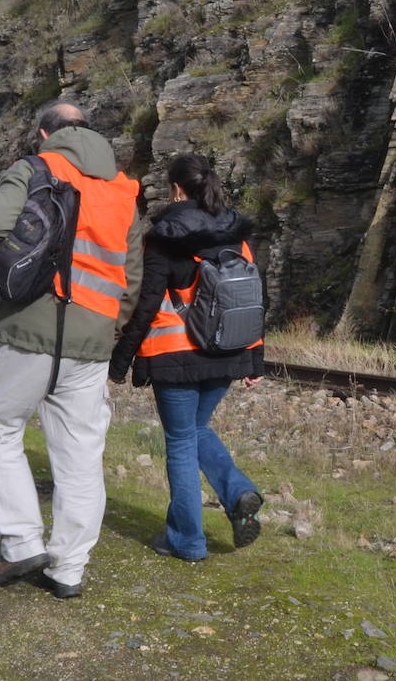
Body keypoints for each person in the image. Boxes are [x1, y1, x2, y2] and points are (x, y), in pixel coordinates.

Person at [0, 102, 142, 598]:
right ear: (88, 129)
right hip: (91, 342)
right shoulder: (123, 189)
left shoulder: (35, 167)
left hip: (29, 328)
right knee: (81, 457)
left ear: (46, 132)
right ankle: (68, 570)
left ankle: (22, 541)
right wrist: (105, 329)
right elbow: (130, 279)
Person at [110, 153, 264, 562]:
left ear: (177, 189)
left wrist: (121, 360)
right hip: (228, 352)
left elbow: (146, 304)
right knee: (196, 430)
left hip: (173, 354)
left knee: (180, 442)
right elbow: (252, 296)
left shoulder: (165, 233)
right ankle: (237, 491)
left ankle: (187, 542)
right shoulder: (236, 230)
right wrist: (256, 359)